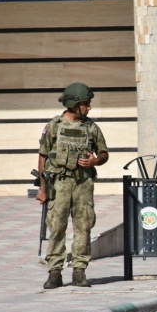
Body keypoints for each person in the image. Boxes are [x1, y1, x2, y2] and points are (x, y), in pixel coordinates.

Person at [37, 83, 109, 289]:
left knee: (84, 226)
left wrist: (95, 161)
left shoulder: (91, 128)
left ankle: (79, 270)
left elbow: (104, 153)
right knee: (56, 227)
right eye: (85, 104)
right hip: (58, 183)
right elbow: (42, 157)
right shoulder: (53, 126)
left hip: (82, 184)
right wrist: (42, 189)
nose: (89, 108)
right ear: (74, 104)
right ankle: (54, 272)